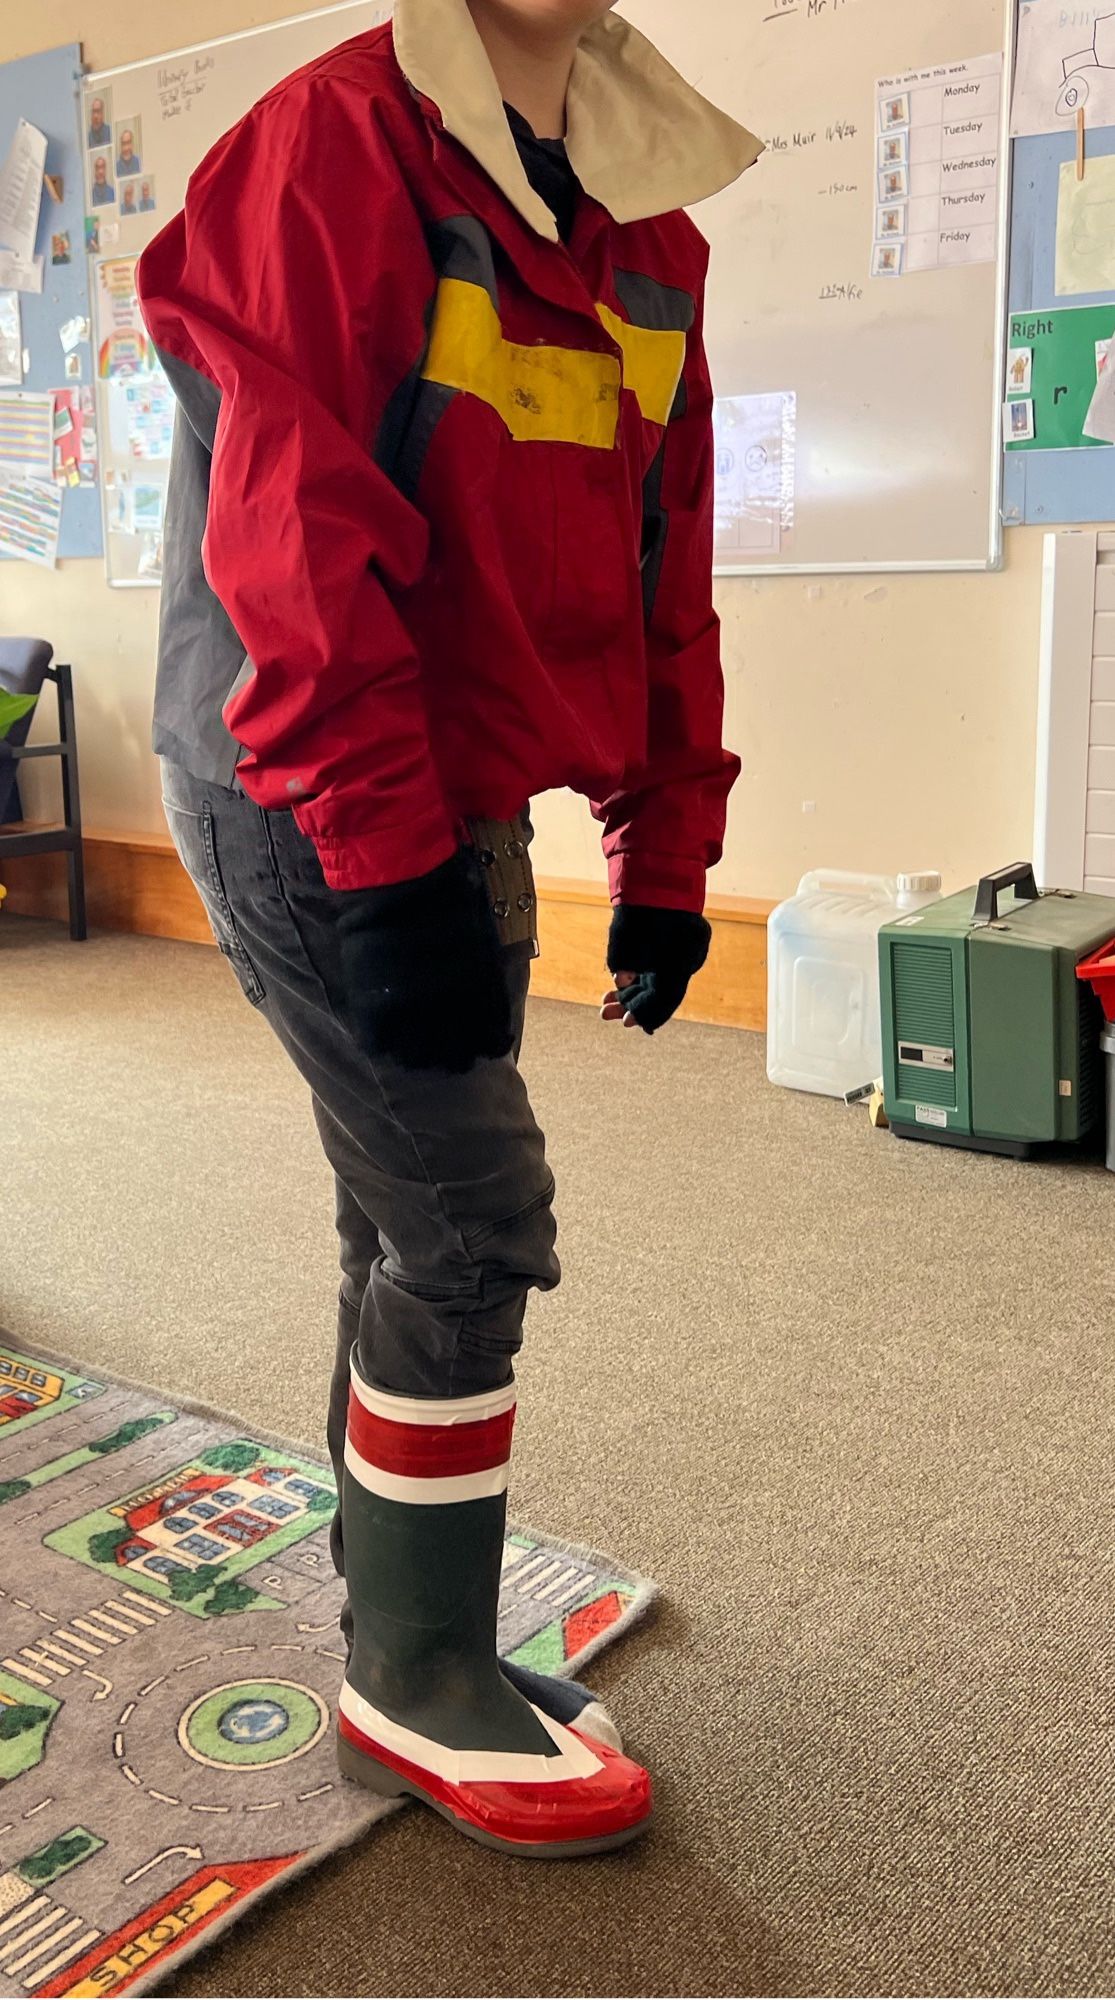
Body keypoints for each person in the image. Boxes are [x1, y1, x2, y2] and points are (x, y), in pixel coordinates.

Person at [137, 0, 760, 1860]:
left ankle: (398, 1628)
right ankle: (413, 1681)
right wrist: (390, 865)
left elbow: (670, 552)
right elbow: (294, 543)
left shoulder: (653, 229)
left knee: (400, 1214)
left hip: (460, 796)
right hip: (300, 785)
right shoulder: (329, 144)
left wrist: (671, 844)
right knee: (474, 1221)